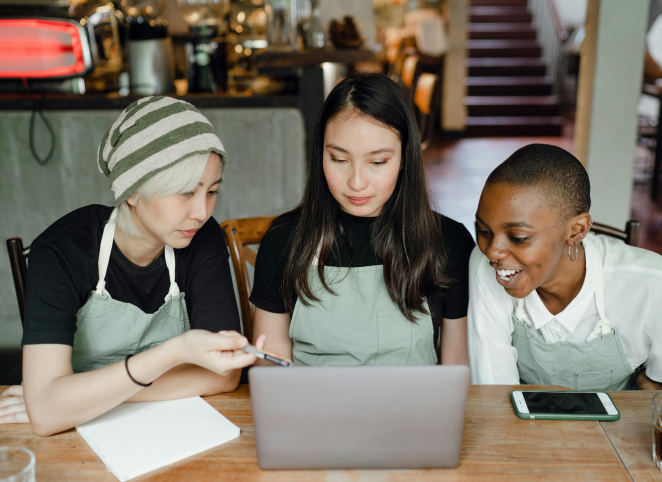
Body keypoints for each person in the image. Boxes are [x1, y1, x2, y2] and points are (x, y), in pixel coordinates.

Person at [0, 97, 264, 434]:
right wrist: (176, 354)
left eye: (211, 191)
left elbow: (223, 374)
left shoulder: (202, 238)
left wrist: (79, 401)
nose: (202, 211)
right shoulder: (61, 250)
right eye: (185, 192)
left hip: (166, 427)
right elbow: (48, 415)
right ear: (132, 192)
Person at [250, 73, 474, 366]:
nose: (356, 182)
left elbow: (458, 368)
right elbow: (269, 364)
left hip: (414, 411)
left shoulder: (449, 241)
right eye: (339, 160)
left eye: (377, 162)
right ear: (320, 154)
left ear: (405, 157)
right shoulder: (284, 240)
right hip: (311, 410)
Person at [468, 144, 662, 391]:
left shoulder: (652, 282)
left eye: (518, 237)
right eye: (484, 231)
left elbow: (655, 393)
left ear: (576, 230)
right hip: (522, 423)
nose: (493, 252)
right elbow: (494, 392)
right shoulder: (485, 266)